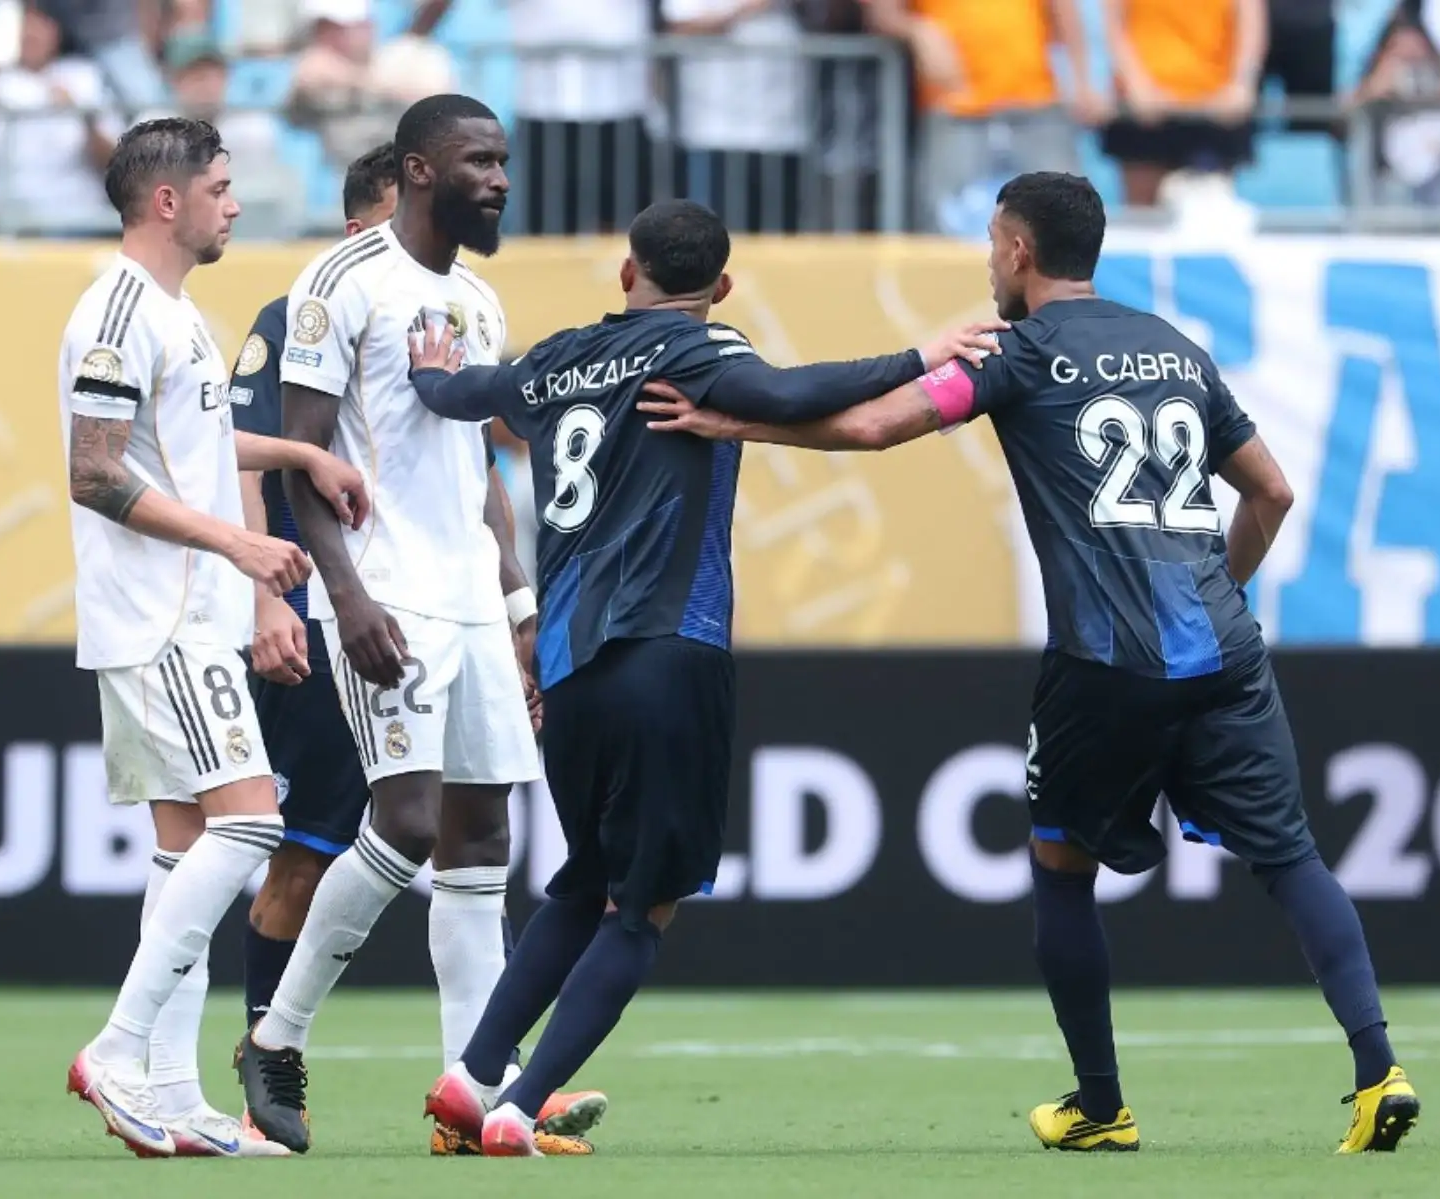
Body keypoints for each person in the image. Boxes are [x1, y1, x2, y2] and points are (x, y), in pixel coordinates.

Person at [634, 172, 1421, 1156]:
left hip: (1103, 660)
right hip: (1223, 646)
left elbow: (878, 424)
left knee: (1061, 869)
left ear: (1016, 251)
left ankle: (1100, 1102)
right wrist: (1220, 590)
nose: (988, 263)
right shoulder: (1176, 348)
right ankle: (1377, 1067)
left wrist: (730, 422)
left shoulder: (1018, 351)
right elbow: (1272, 493)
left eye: (992, 244)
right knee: (1293, 856)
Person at [405, 197, 1005, 1156]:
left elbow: (471, 395)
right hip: (666, 652)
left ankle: (471, 1074)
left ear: (625, 272)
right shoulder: (701, 351)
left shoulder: (558, 356)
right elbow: (801, 393)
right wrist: (922, 353)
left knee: (582, 880)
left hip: (567, 669)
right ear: (720, 287)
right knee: (642, 908)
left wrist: (433, 376)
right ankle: (520, 1107)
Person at [228, 140, 606, 1157]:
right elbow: (305, 451)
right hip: (385, 592)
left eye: (506, 160)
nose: (502, 179)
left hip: (471, 599)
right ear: (424, 169)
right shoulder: (337, 279)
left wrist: (518, 601)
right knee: (401, 821)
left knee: (482, 840)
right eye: (482, 160)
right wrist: (342, 593)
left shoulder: (478, 297)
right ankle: (275, 1033)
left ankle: (469, 1091)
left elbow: (480, 462)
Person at [59, 116, 368, 1159]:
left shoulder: (176, 313)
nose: (235, 204)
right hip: (160, 618)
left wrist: (297, 454)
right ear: (167, 200)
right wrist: (237, 542)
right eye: (222, 188)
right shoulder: (114, 312)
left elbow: (191, 437)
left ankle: (176, 1090)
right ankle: (117, 1045)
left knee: (184, 848)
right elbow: (94, 471)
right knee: (250, 827)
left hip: (178, 614)